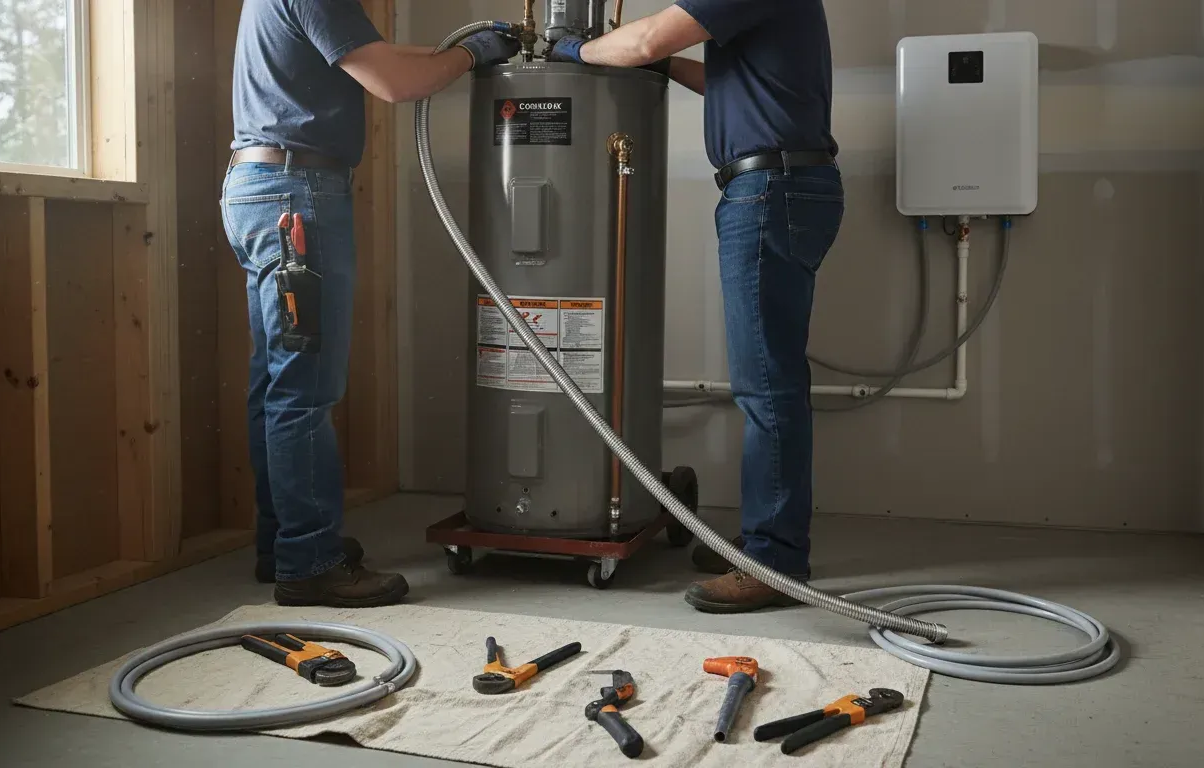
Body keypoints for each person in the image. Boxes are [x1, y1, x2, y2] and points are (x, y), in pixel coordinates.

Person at [549, 1, 843, 613]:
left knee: (767, 387)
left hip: (769, 189)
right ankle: (765, 543)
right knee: (769, 381)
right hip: (778, 186)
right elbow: (728, 82)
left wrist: (572, 50)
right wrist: (664, 68)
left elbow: (645, 40)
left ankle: (775, 560)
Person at [223, 0, 518, 607]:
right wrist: (471, 55)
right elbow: (394, 82)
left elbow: (376, 57)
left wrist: (470, 47)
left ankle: (283, 543)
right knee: (304, 387)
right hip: (297, 195)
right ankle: (310, 562)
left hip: (261, 187)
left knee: (276, 381)